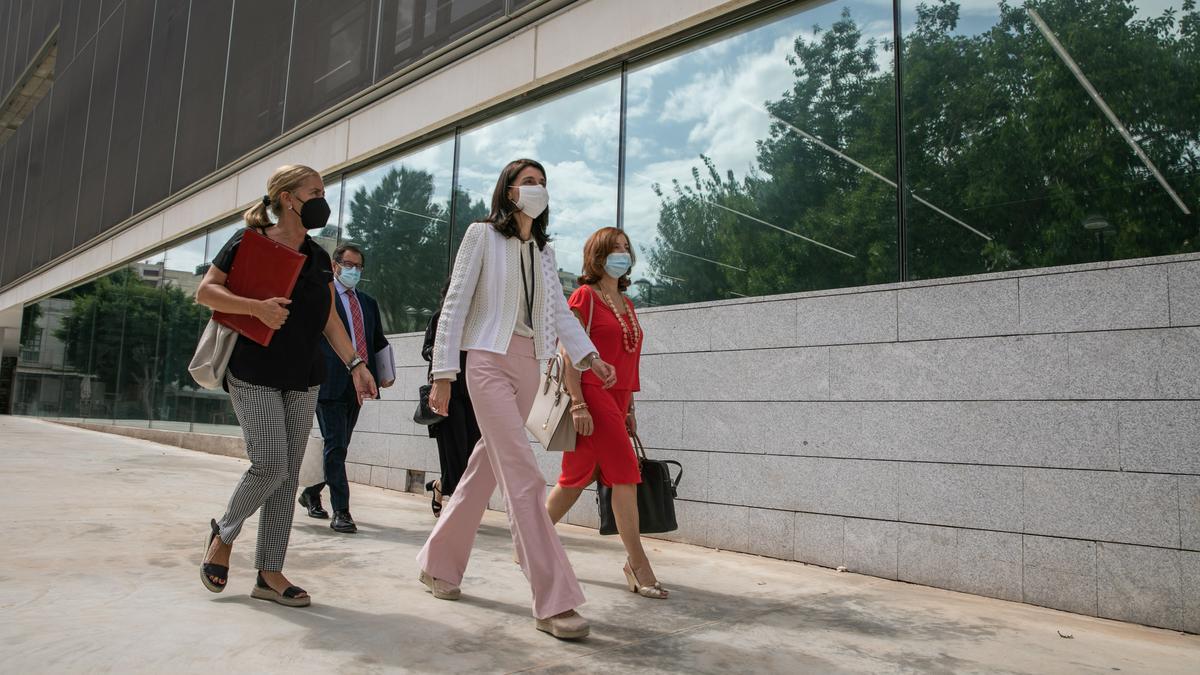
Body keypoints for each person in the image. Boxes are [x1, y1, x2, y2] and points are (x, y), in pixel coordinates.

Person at [417, 158, 618, 640]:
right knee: (524, 476)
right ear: (508, 192)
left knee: (484, 468)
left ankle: (437, 564)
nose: (537, 189)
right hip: (485, 360)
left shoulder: (544, 251)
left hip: (531, 366)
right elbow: (455, 304)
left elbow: (559, 315)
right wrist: (444, 373)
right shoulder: (481, 235)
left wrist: (589, 358)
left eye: (543, 183)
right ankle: (554, 598)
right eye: (528, 182)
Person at [197, 164, 378, 607]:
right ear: (286, 197)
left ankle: (269, 574)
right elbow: (206, 292)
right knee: (270, 463)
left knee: (287, 475)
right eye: (314, 190)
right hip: (253, 369)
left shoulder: (318, 256)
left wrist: (356, 363)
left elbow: (330, 319)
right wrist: (255, 308)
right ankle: (224, 532)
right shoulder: (247, 243)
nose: (322, 198)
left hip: (304, 375)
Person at [545, 227, 667, 599]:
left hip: (617, 400)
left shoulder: (628, 304)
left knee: (574, 479)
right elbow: (569, 351)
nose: (622, 254)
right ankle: (637, 563)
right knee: (626, 474)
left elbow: (629, 360)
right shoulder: (585, 296)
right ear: (597, 255)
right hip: (592, 393)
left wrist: (629, 407)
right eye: (615, 248)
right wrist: (578, 402)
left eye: (626, 248)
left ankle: (530, 541)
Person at [298, 243, 394, 533]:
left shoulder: (368, 303)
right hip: (328, 381)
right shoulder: (324, 298)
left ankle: (311, 493)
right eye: (348, 264)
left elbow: (378, 341)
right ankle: (342, 511)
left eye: (359, 266)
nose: (354, 270)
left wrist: (385, 374)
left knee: (338, 447)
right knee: (336, 446)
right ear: (336, 266)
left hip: (358, 385)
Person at [419, 280, 480, 517]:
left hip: (475, 393)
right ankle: (458, 513)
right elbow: (426, 350)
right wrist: (443, 351)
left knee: (471, 453)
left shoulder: (479, 322)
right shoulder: (440, 318)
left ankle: (439, 486)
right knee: (453, 453)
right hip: (449, 393)